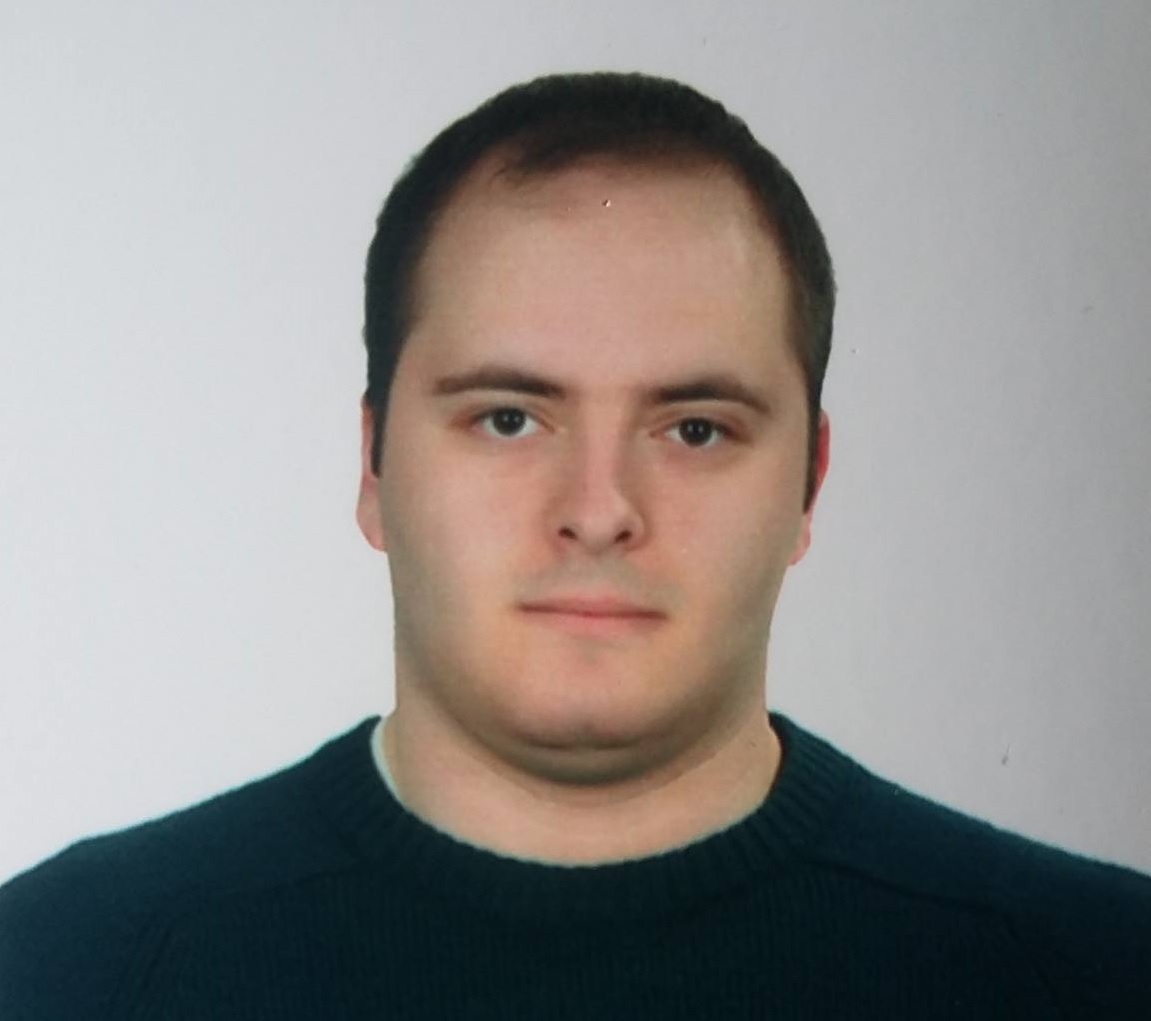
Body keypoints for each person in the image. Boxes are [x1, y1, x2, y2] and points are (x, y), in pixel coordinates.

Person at [2, 71, 1148, 1019]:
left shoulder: (1098, 973)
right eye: (508, 418)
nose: (598, 510)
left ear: (808, 482)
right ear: (373, 466)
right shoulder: (60, 969)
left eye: (693, 428)